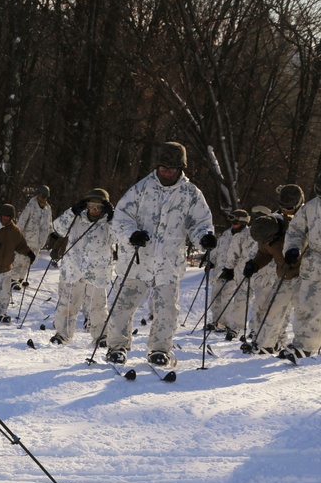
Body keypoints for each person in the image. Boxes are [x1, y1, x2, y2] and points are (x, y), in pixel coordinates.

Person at [105, 142, 215, 366]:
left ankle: (160, 349)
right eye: (163, 167)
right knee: (122, 306)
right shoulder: (141, 189)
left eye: (171, 168)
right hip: (137, 261)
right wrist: (132, 234)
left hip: (168, 262)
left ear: (181, 168)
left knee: (167, 311)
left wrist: (204, 237)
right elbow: (121, 218)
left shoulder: (191, 194)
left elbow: (200, 223)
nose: (166, 172)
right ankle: (117, 346)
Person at [241, 185, 304, 354]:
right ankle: (267, 344)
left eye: (290, 206)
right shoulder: (268, 229)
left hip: (307, 275)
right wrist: (254, 264)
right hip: (286, 275)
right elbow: (264, 253)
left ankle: (306, 347)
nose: (267, 243)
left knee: (305, 311)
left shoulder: (302, 222)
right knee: (274, 309)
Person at [49, 189, 115, 347]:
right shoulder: (76, 219)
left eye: (99, 207)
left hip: (97, 273)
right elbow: (58, 228)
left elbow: (122, 237)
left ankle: (101, 336)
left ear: (104, 208)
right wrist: (71, 212)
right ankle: (62, 334)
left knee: (97, 307)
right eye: (91, 205)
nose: (94, 210)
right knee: (67, 304)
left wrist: (114, 218)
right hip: (74, 270)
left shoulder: (108, 224)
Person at [281, 179, 321, 359]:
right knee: (307, 304)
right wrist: (292, 249)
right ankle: (303, 346)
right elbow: (296, 230)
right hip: (314, 261)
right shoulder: (311, 207)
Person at [0, 204, 35, 323]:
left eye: (8, 216)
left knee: (5, 292)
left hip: (6, 267)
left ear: (11, 217)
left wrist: (29, 253)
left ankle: (1, 313)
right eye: (4, 216)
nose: (5, 218)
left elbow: (21, 245)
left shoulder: (14, 231)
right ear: (0, 215)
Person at [212, 209, 255, 339]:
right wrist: (211, 261)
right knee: (216, 296)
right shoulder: (226, 234)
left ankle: (234, 326)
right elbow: (218, 250)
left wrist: (233, 268)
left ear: (243, 222)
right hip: (221, 271)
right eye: (231, 221)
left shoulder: (249, 236)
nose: (233, 224)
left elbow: (248, 255)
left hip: (238, 273)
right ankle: (218, 322)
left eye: (236, 222)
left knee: (230, 298)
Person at [11, 185, 52, 291]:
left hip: (38, 242)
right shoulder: (31, 206)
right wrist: (18, 237)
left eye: (45, 196)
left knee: (30, 261)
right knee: (20, 260)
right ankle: (13, 279)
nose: (43, 198)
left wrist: (52, 233)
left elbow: (49, 224)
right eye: (41, 195)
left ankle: (21, 279)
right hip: (27, 240)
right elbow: (22, 221)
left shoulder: (48, 209)